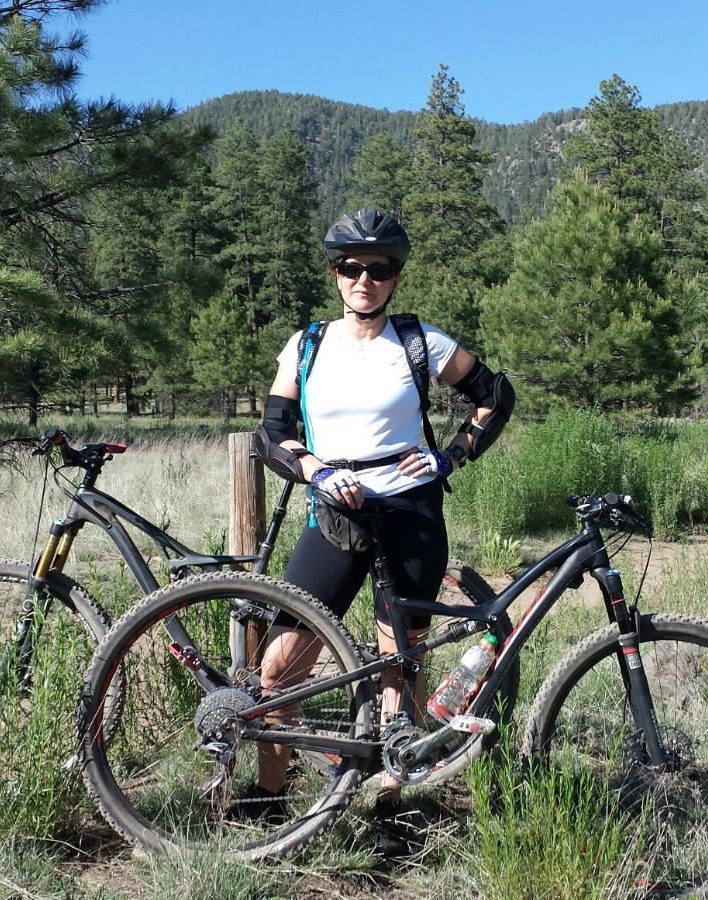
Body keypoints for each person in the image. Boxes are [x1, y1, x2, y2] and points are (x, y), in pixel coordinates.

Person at [253, 207, 514, 851]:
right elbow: (272, 433)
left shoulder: (420, 340)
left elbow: (496, 395)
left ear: (395, 277)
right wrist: (311, 468)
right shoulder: (307, 344)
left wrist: (451, 455)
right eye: (351, 267)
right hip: (336, 511)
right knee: (281, 660)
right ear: (335, 274)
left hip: (411, 513)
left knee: (400, 661)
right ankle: (267, 800)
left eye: (379, 269)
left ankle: (388, 804)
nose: (363, 279)